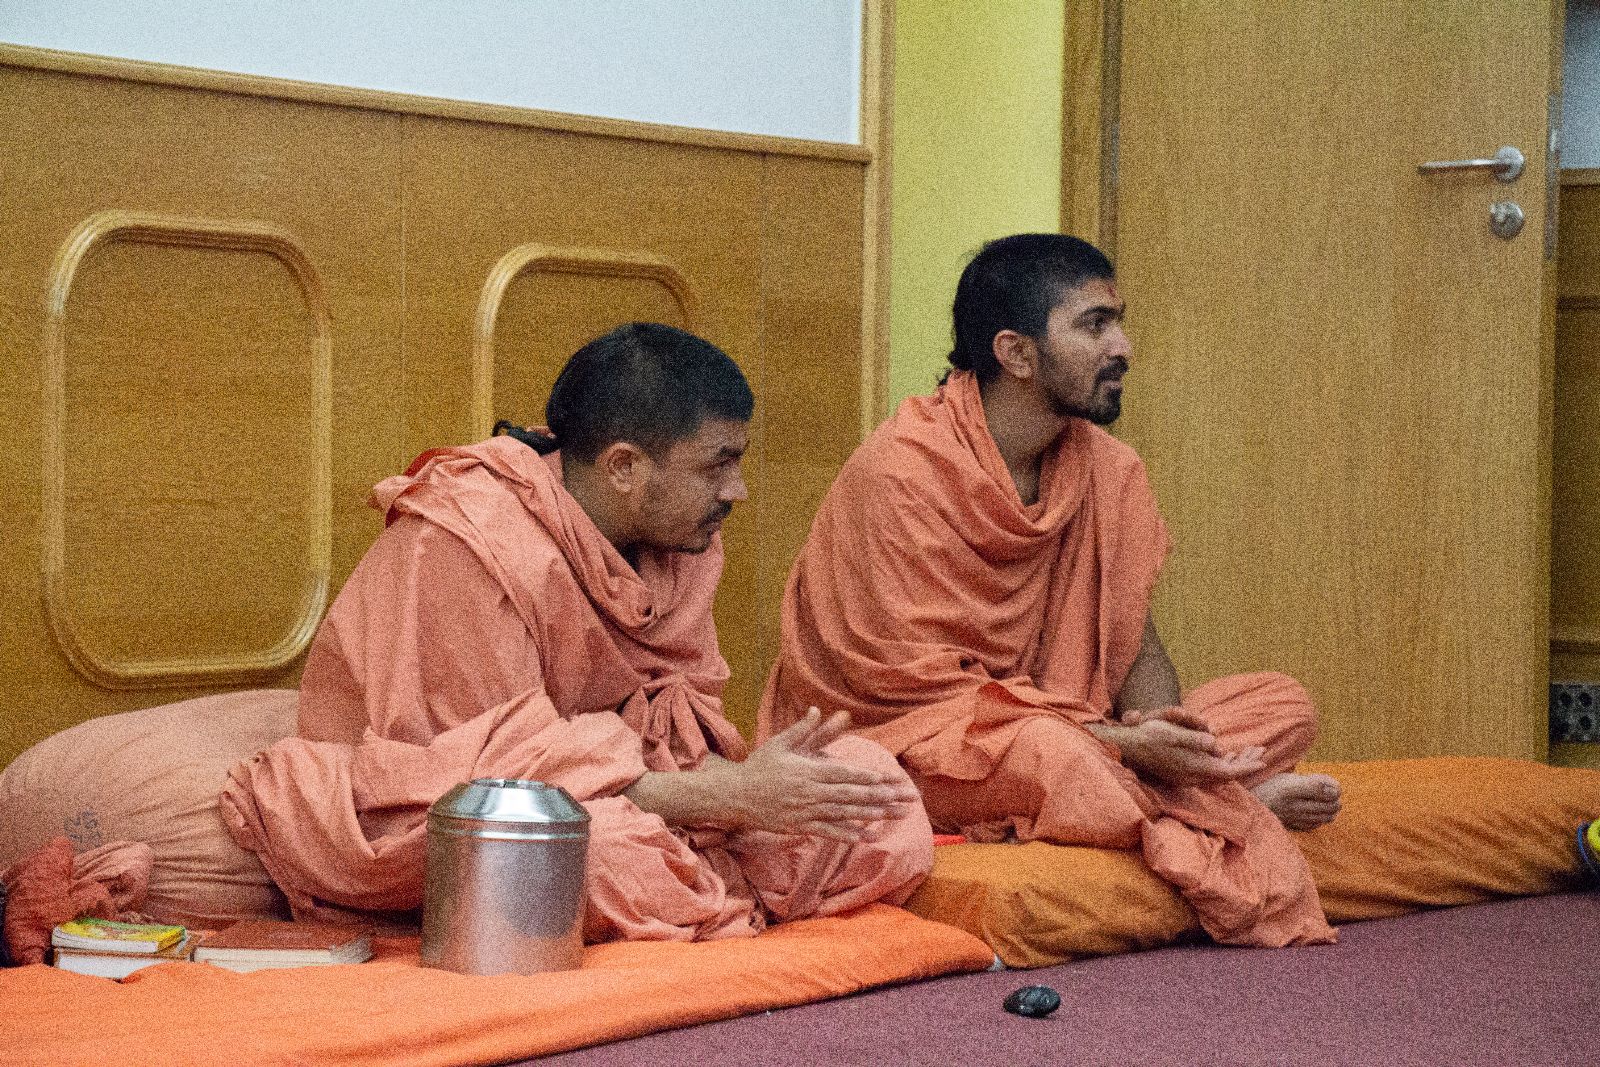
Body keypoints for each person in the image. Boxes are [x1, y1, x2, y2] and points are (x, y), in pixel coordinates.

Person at [220, 322, 931, 941]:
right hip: (452, 812)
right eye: (718, 463)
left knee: (873, 785)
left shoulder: (677, 543)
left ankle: (703, 893)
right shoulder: (470, 542)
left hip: (645, 799)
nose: (736, 491)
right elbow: (490, 791)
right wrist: (731, 797)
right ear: (624, 466)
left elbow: (675, 737)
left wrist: (751, 780)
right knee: (600, 856)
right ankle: (707, 891)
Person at [759, 235, 1339, 947]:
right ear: (1017, 353)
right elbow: (911, 698)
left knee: (1281, 703)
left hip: (1077, 734)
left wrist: (1174, 737)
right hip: (922, 743)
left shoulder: (1104, 467)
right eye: (1095, 325)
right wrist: (1129, 744)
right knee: (1049, 754)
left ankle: (1182, 793)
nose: (1122, 345)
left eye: (1119, 321)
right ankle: (1229, 807)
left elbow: (1134, 645)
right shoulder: (903, 473)